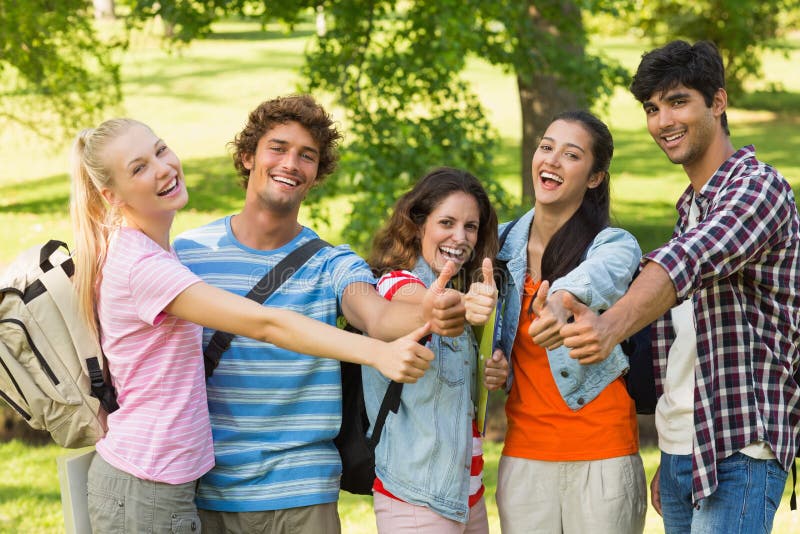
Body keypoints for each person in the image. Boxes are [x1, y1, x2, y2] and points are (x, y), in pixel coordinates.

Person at [70, 118, 440, 533]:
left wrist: (431, 305)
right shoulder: (148, 266)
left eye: (160, 150)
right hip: (147, 480)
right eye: (138, 168)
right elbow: (265, 324)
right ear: (111, 195)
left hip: (171, 480)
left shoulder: (162, 255)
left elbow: (373, 310)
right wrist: (379, 352)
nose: (161, 168)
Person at [173, 95, 467, 533]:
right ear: (247, 156)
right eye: (278, 148)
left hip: (303, 492)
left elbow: (377, 316)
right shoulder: (189, 255)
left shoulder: (333, 263)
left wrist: (427, 309)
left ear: (316, 175)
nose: (291, 163)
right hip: (208, 488)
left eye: (307, 156)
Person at [560, 40, 800, 533]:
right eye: (652, 108)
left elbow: (688, 261)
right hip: (684, 451)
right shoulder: (689, 207)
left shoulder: (759, 189)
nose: (663, 121)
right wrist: (671, 452)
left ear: (717, 101)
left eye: (677, 101)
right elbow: (688, 345)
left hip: (740, 450)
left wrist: (609, 325)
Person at [492, 110, 647, 533]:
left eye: (572, 155)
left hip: (603, 455)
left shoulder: (610, 244)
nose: (552, 160)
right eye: (546, 147)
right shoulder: (500, 245)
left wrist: (562, 299)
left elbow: (611, 269)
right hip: (525, 458)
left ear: (594, 177)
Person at [363, 167, 505, 533]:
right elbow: (424, 303)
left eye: (470, 227)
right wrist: (460, 303)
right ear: (417, 225)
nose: (460, 237)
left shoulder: (461, 285)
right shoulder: (396, 282)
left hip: (467, 494)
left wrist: (493, 371)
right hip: (416, 497)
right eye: (446, 222)